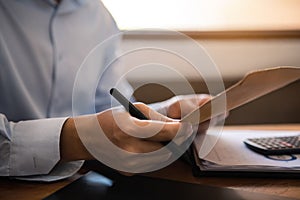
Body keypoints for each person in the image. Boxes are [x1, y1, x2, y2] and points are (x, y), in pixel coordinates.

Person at [0, 0, 212, 181]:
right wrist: (76, 139)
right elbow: (98, 129)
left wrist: (167, 112)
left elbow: (108, 107)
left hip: (81, 182)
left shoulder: (98, 16)